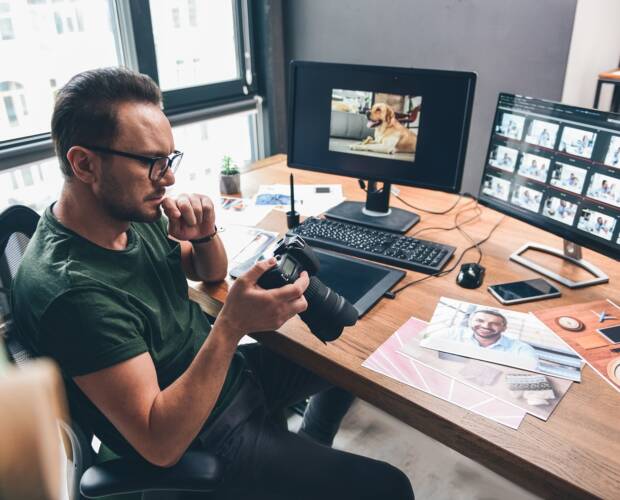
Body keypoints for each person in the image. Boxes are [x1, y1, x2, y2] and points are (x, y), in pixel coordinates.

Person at [12, 68, 413, 500]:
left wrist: (204, 235)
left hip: (226, 378)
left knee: (349, 358)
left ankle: (308, 446)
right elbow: (160, 443)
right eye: (151, 163)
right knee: (390, 487)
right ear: (84, 164)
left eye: (169, 160)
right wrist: (231, 326)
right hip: (201, 437)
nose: (167, 179)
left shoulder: (123, 215)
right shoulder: (73, 293)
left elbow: (208, 271)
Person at [444, 310, 539, 367]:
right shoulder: (453, 333)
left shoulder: (521, 349)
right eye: (480, 321)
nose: (486, 326)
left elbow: (532, 375)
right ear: (470, 322)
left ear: (504, 328)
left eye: (495, 323)